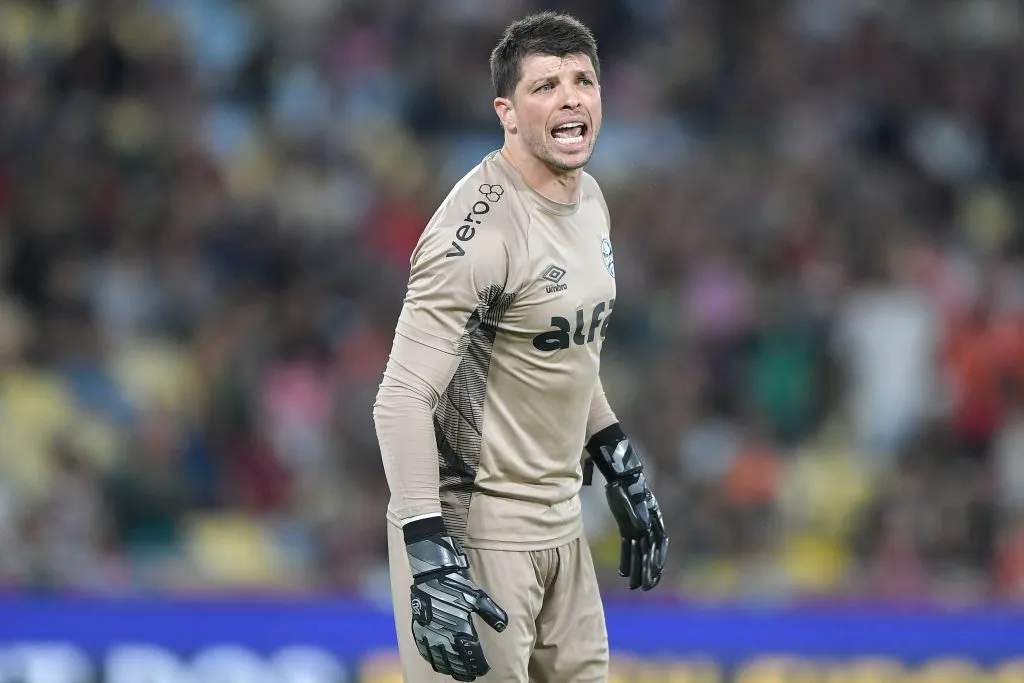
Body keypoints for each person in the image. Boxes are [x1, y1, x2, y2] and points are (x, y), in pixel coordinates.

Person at [373, 11, 668, 682]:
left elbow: (563, 348)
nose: (570, 97)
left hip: (562, 522)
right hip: (476, 533)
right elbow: (399, 398)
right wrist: (429, 551)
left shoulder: (589, 199)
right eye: (545, 86)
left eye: (582, 80)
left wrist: (616, 455)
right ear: (506, 111)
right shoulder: (476, 234)